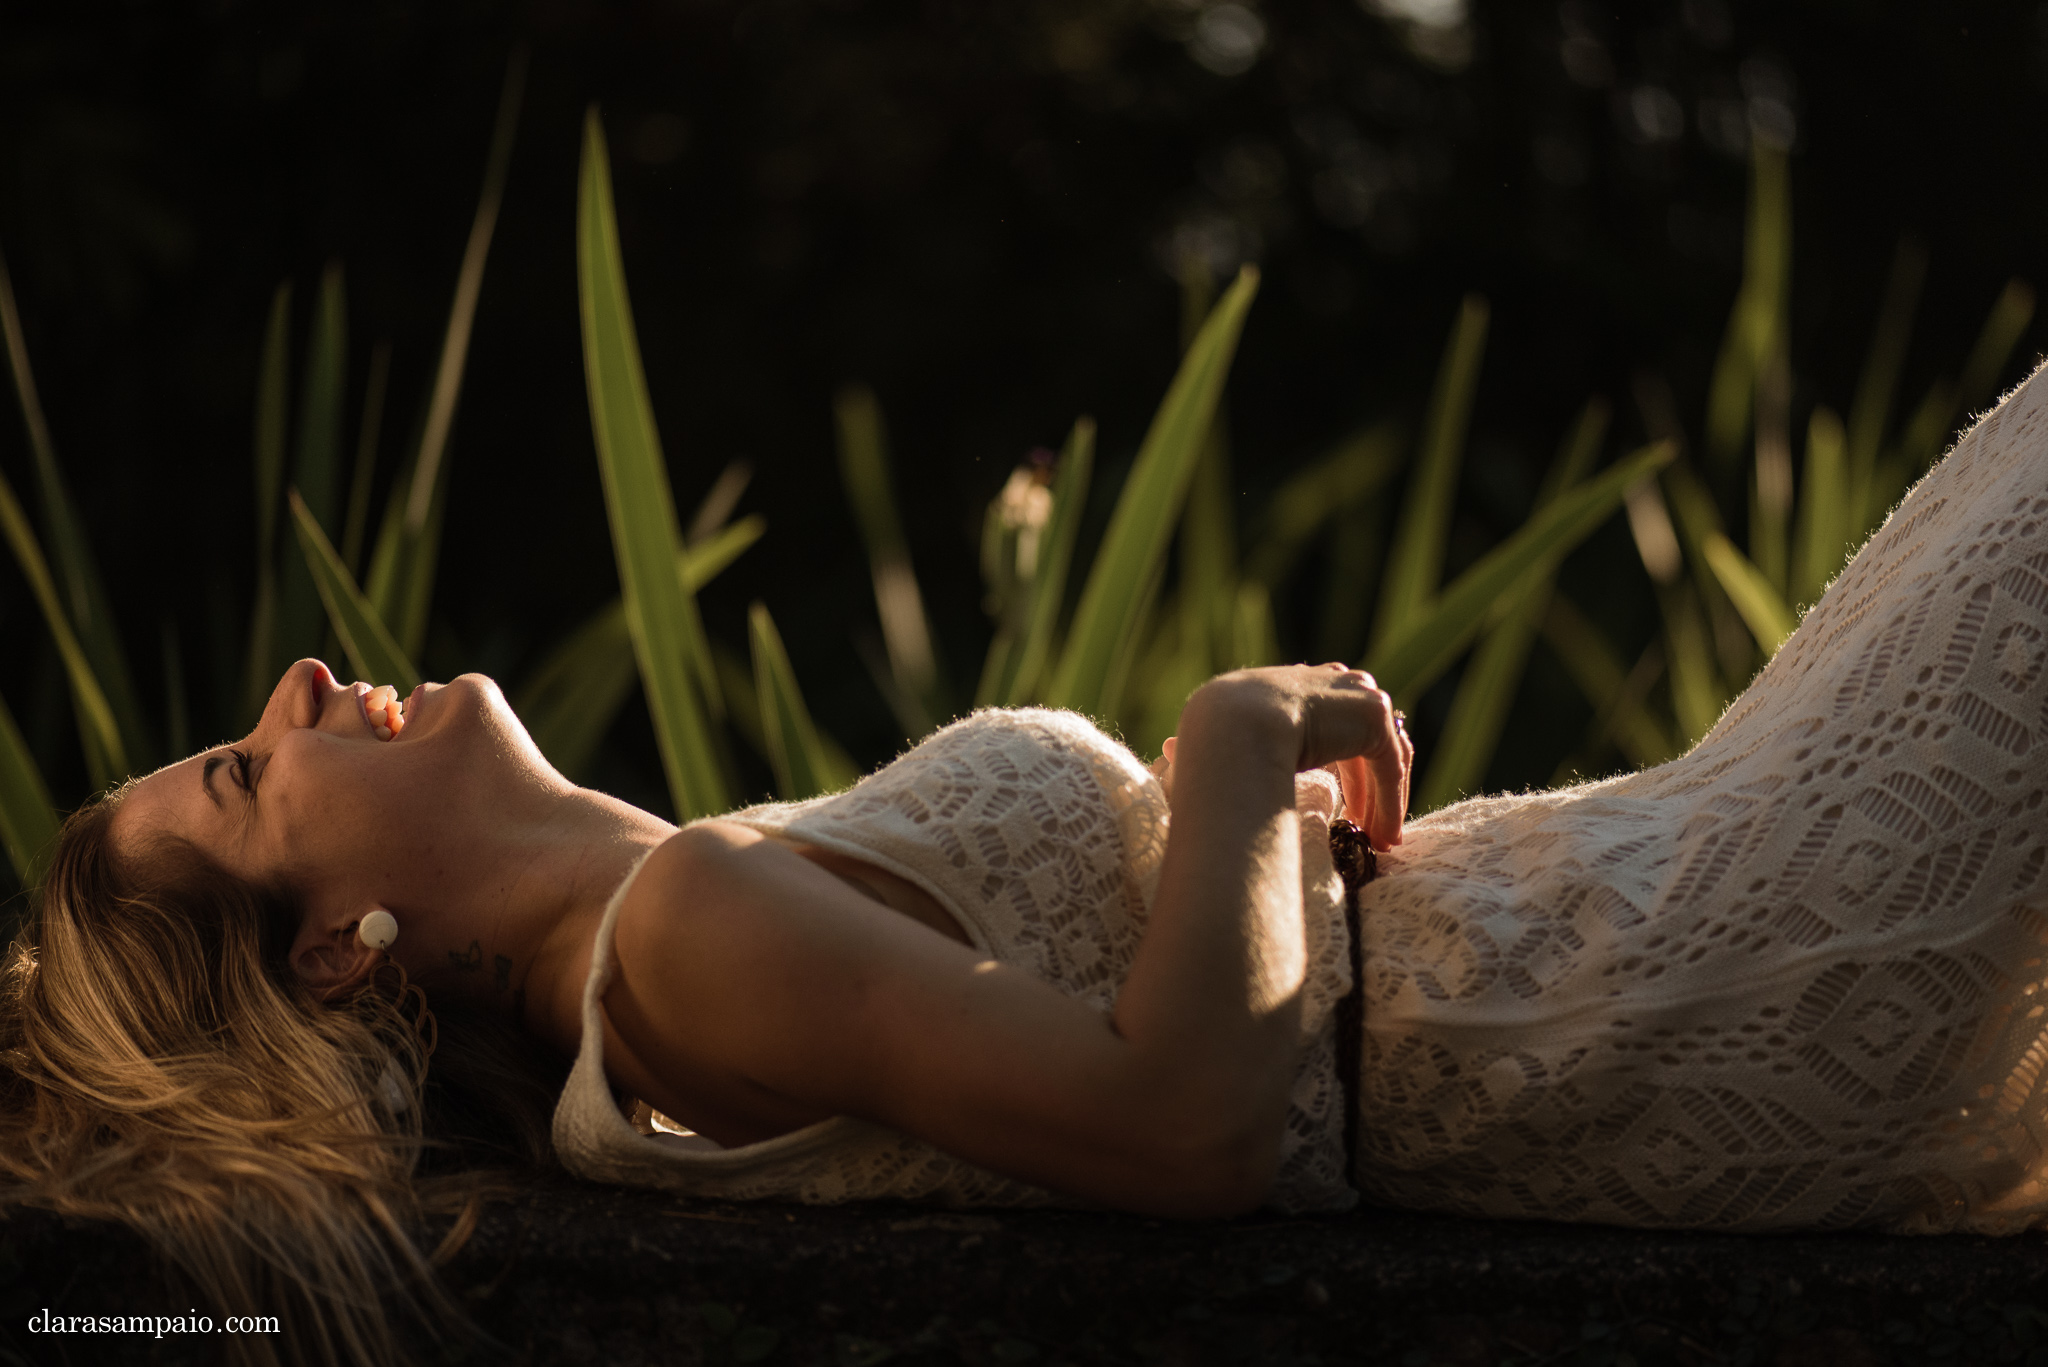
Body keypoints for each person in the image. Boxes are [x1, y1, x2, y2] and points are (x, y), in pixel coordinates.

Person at [9, 359, 2048, 1363]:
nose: (288, 682)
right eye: (239, 774)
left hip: (1662, 936)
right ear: (344, 958)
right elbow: (1180, 1134)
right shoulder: (683, 944)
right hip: (1677, 990)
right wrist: (1232, 748)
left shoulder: (672, 945)